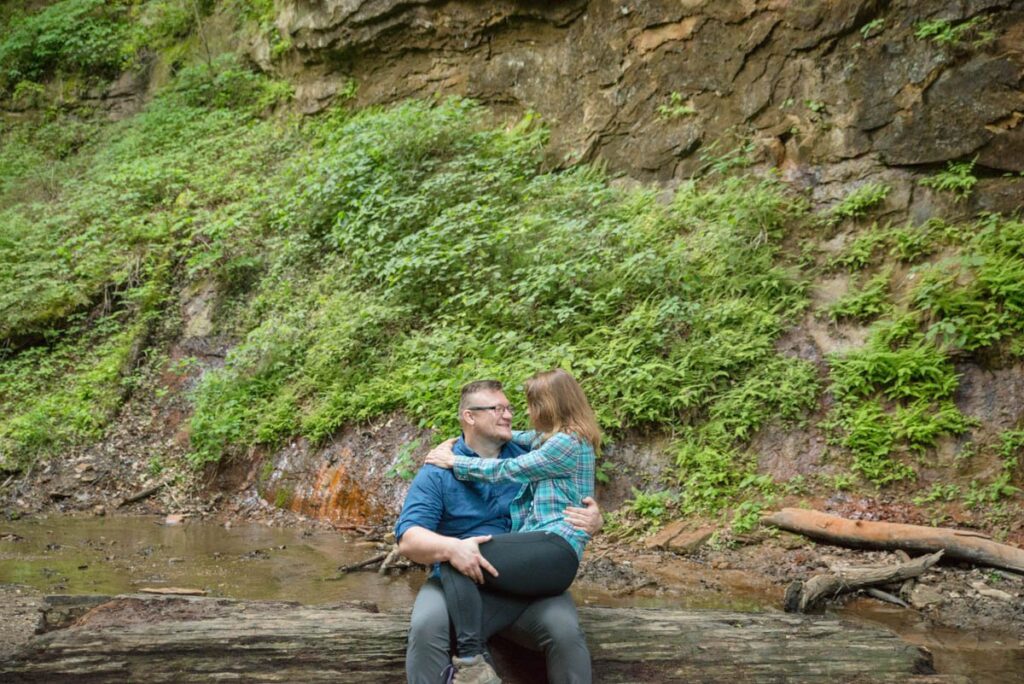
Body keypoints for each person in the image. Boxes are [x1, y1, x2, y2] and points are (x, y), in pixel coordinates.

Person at [395, 378, 601, 684]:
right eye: (497, 409)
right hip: (458, 578)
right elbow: (409, 539)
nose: (508, 414)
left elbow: (571, 488)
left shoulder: (528, 453)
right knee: (427, 625)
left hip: (524, 574)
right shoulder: (438, 469)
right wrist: (452, 548)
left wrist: (596, 519)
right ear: (470, 417)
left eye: (509, 408)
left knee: (565, 630)